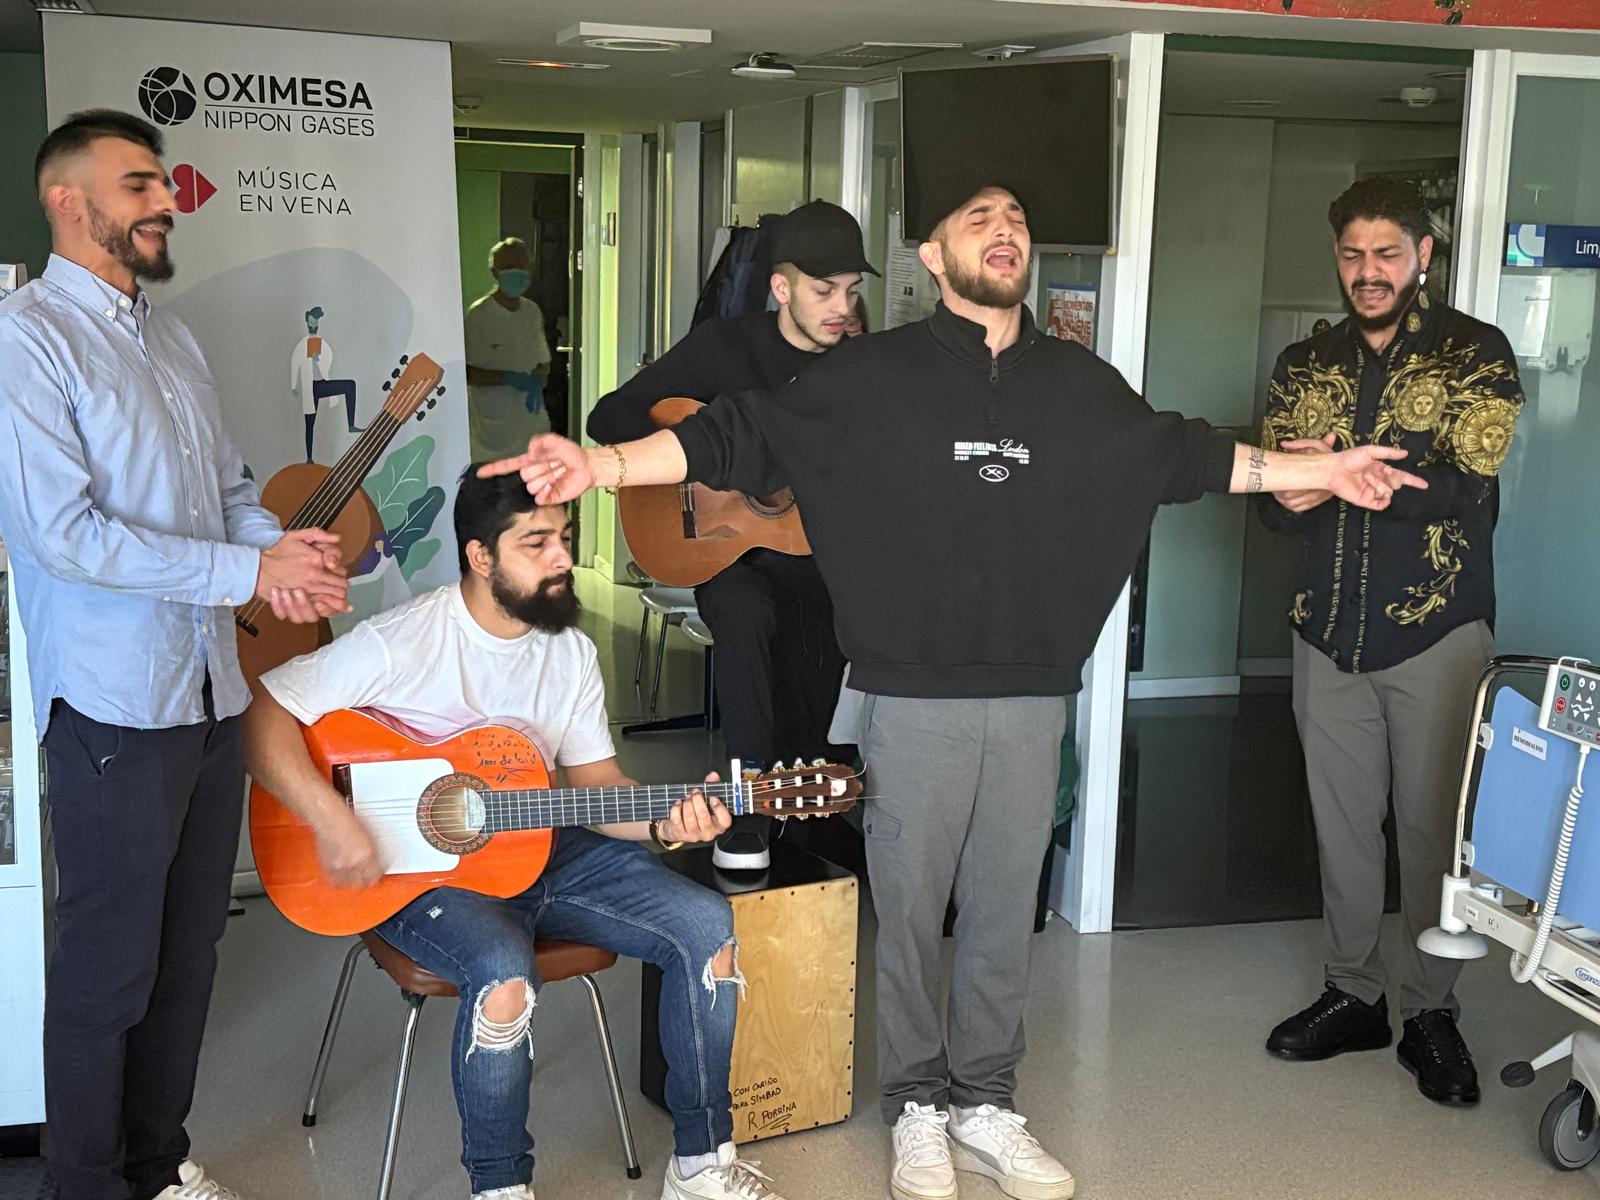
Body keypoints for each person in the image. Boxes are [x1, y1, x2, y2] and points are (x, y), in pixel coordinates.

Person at [481, 177, 1428, 1200]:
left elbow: (1180, 452)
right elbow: (731, 435)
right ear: (931, 259)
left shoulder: (1077, 382)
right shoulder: (868, 375)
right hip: (907, 697)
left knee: (996, 917)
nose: (1004, 231)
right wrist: (602, 462)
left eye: (1017, 218)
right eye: (976, 220)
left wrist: (1322, 474)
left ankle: (986, 1101)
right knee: (913, 911)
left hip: (1030, 696)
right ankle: (917, 1110)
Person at [243, 469, 792, 1200]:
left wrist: (668, 820)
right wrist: (331, 817)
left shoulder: (567, 654)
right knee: (504, 973)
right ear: (480, 557)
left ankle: (701, 1165)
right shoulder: (403, 640)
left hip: (541, 852)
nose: (561, 558)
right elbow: (263, 719)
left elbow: (597, 790)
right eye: (536, 542)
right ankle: (500, 1188)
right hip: (415, 873)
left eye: (562, 538)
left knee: (707, 924)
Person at [0, 109, 350, 1200]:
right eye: (141, 184)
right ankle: (86, 1186)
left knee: (188, 958)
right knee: (108, 975)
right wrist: (247, 576)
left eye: (162, 184)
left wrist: (281, 556)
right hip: (113, 705)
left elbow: (231, 496)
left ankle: (156, 1168)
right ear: (72, 201)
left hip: (208, 694)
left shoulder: (173, 334)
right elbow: (66, 536)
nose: (165, 202)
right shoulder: (27, 339)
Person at [1258, 177, 1525, 1105]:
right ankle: (1353, 995)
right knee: (1341, 827)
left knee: (1429, 830)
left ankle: (1433, 1012)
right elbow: (1283, 512)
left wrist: (1351, 470)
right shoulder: (1303, 363)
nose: (1367, 273)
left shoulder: (1475, 354)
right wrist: (1302, 489)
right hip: (1326, 632)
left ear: (1423, 255)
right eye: (1352, 255)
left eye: (1386, 254)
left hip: (1436, 630)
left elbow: (1472, 484)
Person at [587, 199, 874, 871]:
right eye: (824, 289)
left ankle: (813, 808)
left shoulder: (864, 368)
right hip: (726, 550)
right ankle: (746, 807)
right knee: (746, 610)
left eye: (852, 292)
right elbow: (612, 414)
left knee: (841, 622)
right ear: (781, 288)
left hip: (822, 556)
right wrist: (702, 456)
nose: (842, 306)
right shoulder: (724, 347)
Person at [466, 237, 552, 460]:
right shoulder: (479, 316)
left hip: (531, 426)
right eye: (507, 267)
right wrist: (509, 378)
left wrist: (537, 382)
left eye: (520, 266)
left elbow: (542, 360)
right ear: (494, 272)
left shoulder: (532, 312)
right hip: (491, 433)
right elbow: (467, 373)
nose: (515, 272)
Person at [289, 304, 364, 463]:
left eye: (316, 322)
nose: (314, 325)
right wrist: (294, 386)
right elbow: (295, 364)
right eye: (311, 321)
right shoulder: (302, 345)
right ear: (307, 322)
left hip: (322, 384)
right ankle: (309, 458)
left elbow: (328, 361)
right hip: (310, 389)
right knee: (310, 422)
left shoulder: (322, 343)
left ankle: (351, 425)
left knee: (350, 385)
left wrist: (318, 360)